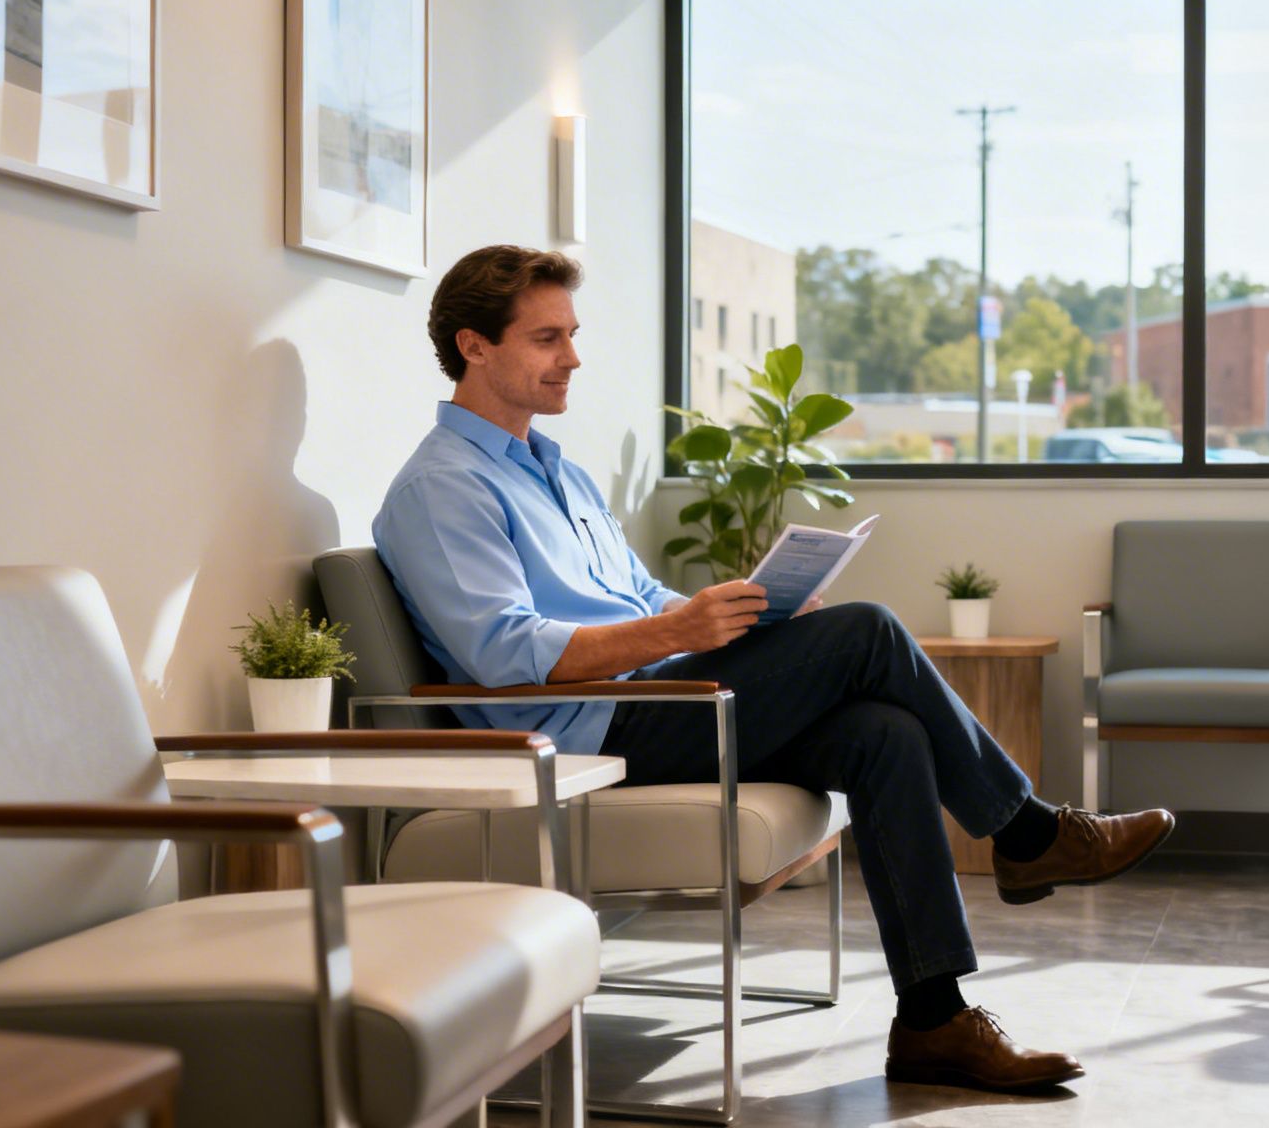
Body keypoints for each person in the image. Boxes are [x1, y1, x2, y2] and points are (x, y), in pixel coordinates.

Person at [374, 245, 1178, 1093]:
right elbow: (505, 656)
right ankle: (1026, 833)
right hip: (586, 733)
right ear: (474, 345)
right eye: (547, 339)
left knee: (884, 732)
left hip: (657, 698)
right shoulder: (443, 487)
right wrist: (677, 629)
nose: (573, 358)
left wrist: (744, 614)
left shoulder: (556, 469)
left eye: (572, 335)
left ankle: (934, 1019)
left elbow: (636, 595)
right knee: (870, 632)